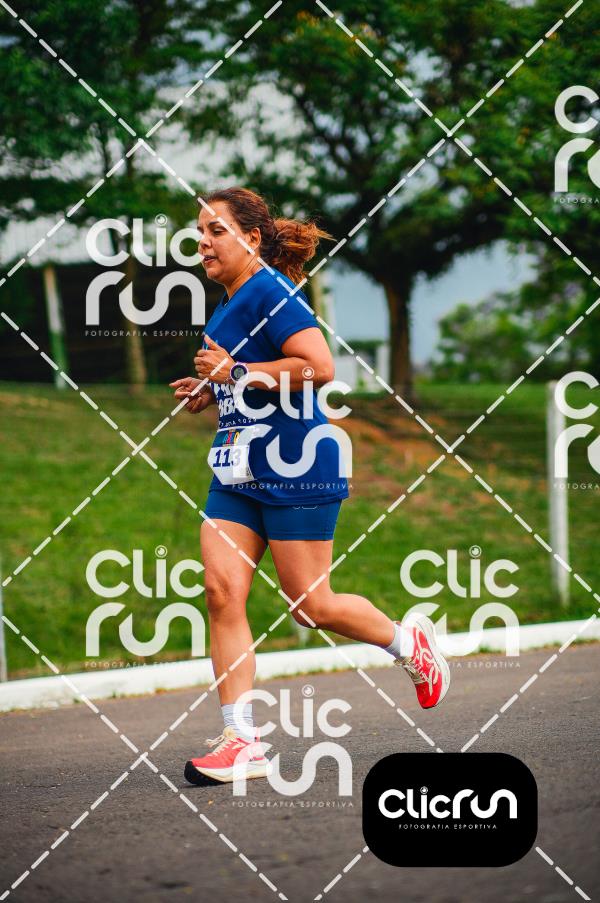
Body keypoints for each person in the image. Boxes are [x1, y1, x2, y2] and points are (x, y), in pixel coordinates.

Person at [169, 187, 450, 786]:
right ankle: (242, 740)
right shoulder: (226, 306)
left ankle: (408, 644)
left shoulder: (271, 290)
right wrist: (211, 392)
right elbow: (250, 380)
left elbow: (318, 367)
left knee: (311, 606)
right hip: (238, 470)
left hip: (297, 464)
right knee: (221, 592)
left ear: (251, 238)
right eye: (199, 232)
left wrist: (235, 372)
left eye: (216, 230)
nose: (203, 243)